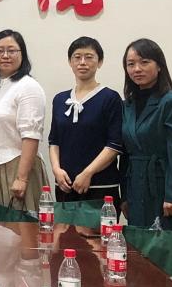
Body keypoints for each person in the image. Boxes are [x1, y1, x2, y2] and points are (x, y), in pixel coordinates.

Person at [121, 38, 172, 231]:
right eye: (131, 64)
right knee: (138, 243)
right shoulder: (127, 105)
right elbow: (125, 154)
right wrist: (124, 195)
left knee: (167, 243)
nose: (137, 69)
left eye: (144, 62)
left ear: (159, 65)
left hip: (162, 185)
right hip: (135, 187)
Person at [0, 29, 48, 218]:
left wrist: (22, 178)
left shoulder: (28, 87)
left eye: (12, 50)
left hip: (17, 167)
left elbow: (31, 135)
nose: (5, 55)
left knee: (19, 229)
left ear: (22, 54)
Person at [48, 37, 124, 204]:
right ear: (70, 62)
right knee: (63, 223)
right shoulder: (60, 99)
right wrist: (56, 169)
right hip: (65, 185)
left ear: (100, 62)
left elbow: (114, 145)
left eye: (89, 57)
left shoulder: (110, 98)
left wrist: (88, 173)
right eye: (77, 57)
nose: (82, 62)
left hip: (100, 186)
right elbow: (54, 141)